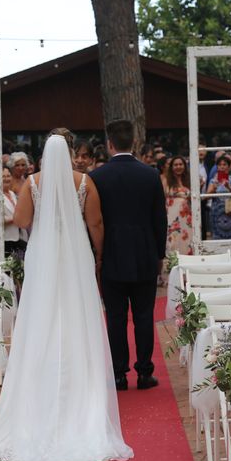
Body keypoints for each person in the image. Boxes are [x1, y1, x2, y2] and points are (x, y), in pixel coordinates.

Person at [0, 134, 133, 461]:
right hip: (75, 256)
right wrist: (100, 252)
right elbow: (95, 223)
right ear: (72, 155)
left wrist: (43, 215)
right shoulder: (85, 182)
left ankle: (38, 388)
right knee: (77, 317)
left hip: (44, 256)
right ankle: (82, 391)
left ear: (43, 157)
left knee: (40, 317)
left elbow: (19, 221)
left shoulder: (31, 182)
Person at [90, 119, 167, 391]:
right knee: (145, 315)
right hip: (145, 253)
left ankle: (119, 373)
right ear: (133, 142)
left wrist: (96, 255)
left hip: (111, 254)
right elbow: (160, 220)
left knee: (116, 317)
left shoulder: (97, 178)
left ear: (110, 144)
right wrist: (160, 254)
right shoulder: (150, 175)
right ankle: (145, 372)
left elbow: (94, 221)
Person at [206, 155, 231, 240]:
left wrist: (229, 187)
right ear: (217, 166)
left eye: (224, 164)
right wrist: (214, 187)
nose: (222, 166)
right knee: (217, 234)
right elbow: (207, 196)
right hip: (217, 211)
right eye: (220, 165)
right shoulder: (213, 180)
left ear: (228, 166)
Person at [164, 156, 192, 255]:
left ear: (184, 166)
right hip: (171, 215)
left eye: (181, 164)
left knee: (187, 239)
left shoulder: (189, 180)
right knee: (173, 240)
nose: (178, 167)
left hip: (187, 216)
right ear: (171, 167)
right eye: (176, 165)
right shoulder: (165, 180)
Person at [2, 166, 27, 257]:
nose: (6, 179)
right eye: (3, 176)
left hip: (18, 236)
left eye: (8, 176)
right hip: (6, 238)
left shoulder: (12, 194)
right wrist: (15, 218)